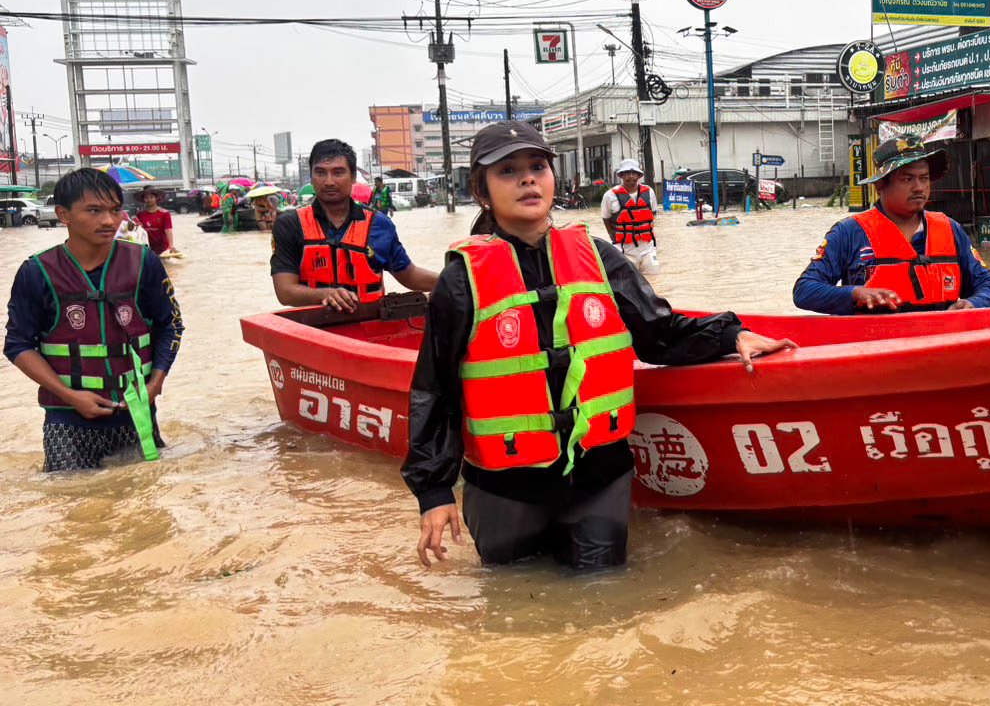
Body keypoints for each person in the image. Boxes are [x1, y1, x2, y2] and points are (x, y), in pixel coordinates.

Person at [403, 120, 796, 572]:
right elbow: (435, 388)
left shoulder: (599, 256)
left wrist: (731, 334)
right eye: (508, 171)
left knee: (604, 594)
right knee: (515, 601)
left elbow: (657, 333)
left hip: (599, 478)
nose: (528, 179)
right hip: (506, 485)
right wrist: (433, 493)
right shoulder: (461, 280)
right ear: (482, 191)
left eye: (537, 167)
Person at [5, 168, 185, 471]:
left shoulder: (144, 263)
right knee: (75, 505)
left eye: (116, 210)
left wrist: (156, 383)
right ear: (64, 214)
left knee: (147, 502)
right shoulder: (36, 272)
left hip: (136, 413)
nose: (109, 221)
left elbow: (172, 325)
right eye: (94, 210)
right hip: (68, 421)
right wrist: (70, 396)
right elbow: (18, 345)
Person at [793, 136, 990, 314]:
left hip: (940, 342)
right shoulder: (849, 232)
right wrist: (855, 293)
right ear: (880, 185)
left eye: (924, 178)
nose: (919, 187)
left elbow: (989, 285)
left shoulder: (950, 228)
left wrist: (974, 303)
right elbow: (805, 290)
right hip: (876, 346)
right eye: (907, 179)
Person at [270, 138, 439, 312]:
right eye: (320, 172)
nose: (329, 181)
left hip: (370, 329)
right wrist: (324, 294)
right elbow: (285, 292)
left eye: (338, 172)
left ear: (353, 177)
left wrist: (452, 281)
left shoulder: (380, 224)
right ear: (311, 178)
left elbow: (409, 275)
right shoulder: (289, 224)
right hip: (315, 331)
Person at [600, 158, 659, 274]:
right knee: (628, 284)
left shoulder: (649, 192)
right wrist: (613, 235)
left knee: (654, 280)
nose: (630, 176)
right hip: (624, 250)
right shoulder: (610, 195)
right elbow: (606, 218)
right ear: (621, 175)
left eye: (633, 173)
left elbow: (653, 214)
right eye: (627, 173)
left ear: (639, 175)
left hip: (648, 249)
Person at [133, 186, 176, 255]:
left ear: (156, 198)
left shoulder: (164, 213)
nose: (149, 199)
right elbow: (138, 231)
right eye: (146, 198)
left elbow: (168, 230)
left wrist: (171, 245)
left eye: (151, 197)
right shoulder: (140, 214)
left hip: (163, 248)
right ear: (143, 200)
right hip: (146, 248)